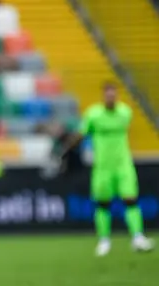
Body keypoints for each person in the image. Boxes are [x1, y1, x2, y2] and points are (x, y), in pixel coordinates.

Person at [62, 82, 154, 256]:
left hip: (123, 165)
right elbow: (81, 134)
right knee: (103, 204)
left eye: (114, 95)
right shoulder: (94, 115)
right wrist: (66, 149)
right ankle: (104, 240)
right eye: (108, 95)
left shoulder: (125, 112)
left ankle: (137, 238)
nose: (111, 98)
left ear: (117, 96)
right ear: (104, 96)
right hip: (103, 167)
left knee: (130, 199)